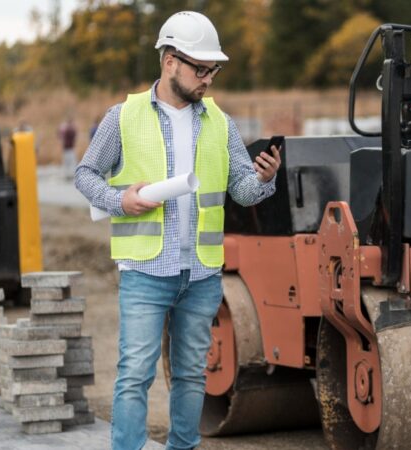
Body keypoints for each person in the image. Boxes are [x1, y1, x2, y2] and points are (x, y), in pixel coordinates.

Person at [74, 11, 282, 450]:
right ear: (170, 61)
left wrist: (263, 181)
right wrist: (120, 199)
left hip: (202, 273)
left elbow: (241, 191)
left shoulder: (221, 123)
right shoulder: (123, 117)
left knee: (191, 374)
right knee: (135, 375)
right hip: (146, 271)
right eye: (200, 69)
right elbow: (86, 175)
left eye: (213, 70)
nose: (208, 78)